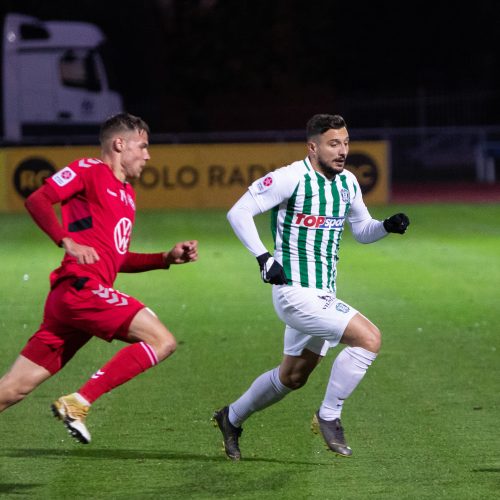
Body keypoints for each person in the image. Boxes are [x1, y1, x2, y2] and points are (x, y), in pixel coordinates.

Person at [212, 114, 409, 460]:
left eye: (346, 143)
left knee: (292, 376)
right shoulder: (291, 178)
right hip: (294, 292)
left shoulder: (348, 183)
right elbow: (239, 212)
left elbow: (362, 230)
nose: (343, 150)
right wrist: (263, 258)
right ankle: (328, 416)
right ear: (312, 147)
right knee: (369, 338)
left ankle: (231, 417)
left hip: (323, 294)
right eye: (334, 144)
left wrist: (386, 227)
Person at [0, 112, 198, 444]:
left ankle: (77, 402)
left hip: (78, 298)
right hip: (80, 288)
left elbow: (116, 258)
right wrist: (66, 240)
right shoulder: (90, 170)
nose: (148, 155)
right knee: (162, 341)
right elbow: (37, 200)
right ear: (120, 144)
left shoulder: (127, 195)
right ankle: (78, 403)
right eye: (143, 146)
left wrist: (165, 258)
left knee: (13, 388)